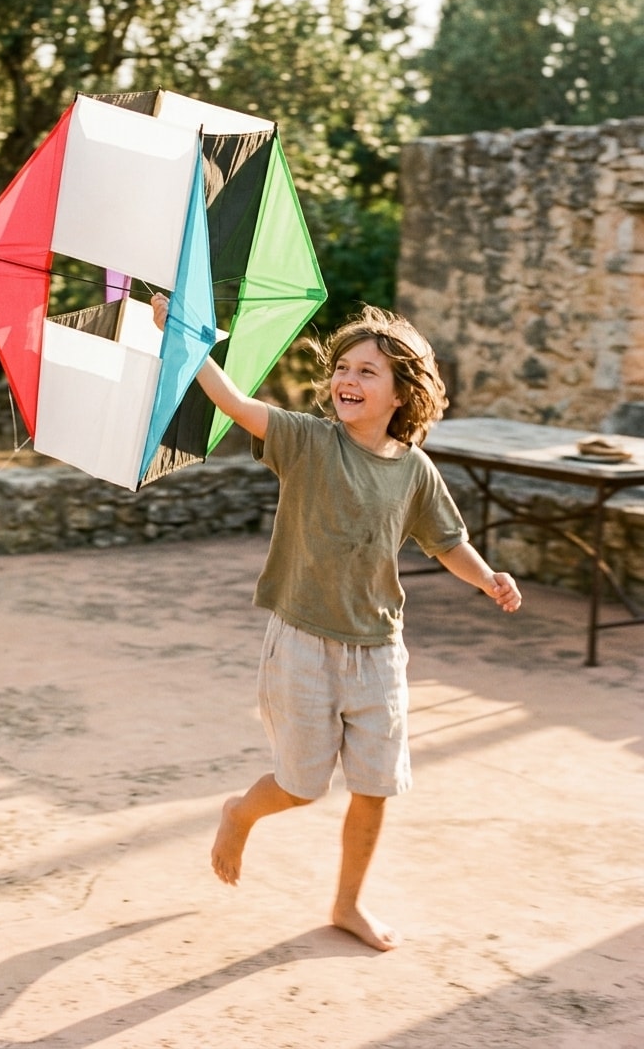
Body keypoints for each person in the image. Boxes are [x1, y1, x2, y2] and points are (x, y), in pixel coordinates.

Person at [151, 295, 522, 952]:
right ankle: (239, 813)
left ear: (402, 394)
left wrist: (488, 576)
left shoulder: (415, 470)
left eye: (367, 372)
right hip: (301, 641)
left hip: (378, 649)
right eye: (342, 368)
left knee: (376, 787)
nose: (348, 379)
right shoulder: (308, 441)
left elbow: (447, 542)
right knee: (300, 787)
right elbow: (234, 402)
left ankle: (348, 904)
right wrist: (182, 336)